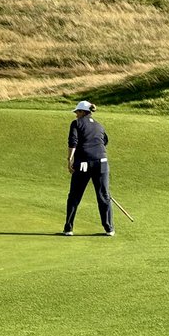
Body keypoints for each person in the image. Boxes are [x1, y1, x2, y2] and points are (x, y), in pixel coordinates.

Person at [63, 100, 114, 236]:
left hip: (84, 164)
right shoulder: (99, 125)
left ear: (82, 112)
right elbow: (105, 141)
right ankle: (109, 229)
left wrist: (70, 160)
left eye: (77, 112)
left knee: (74, 195)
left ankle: (68, 228)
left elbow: (72, 142)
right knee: (104, 196)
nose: (75, 115)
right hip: (102, 162)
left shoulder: (77, 123)